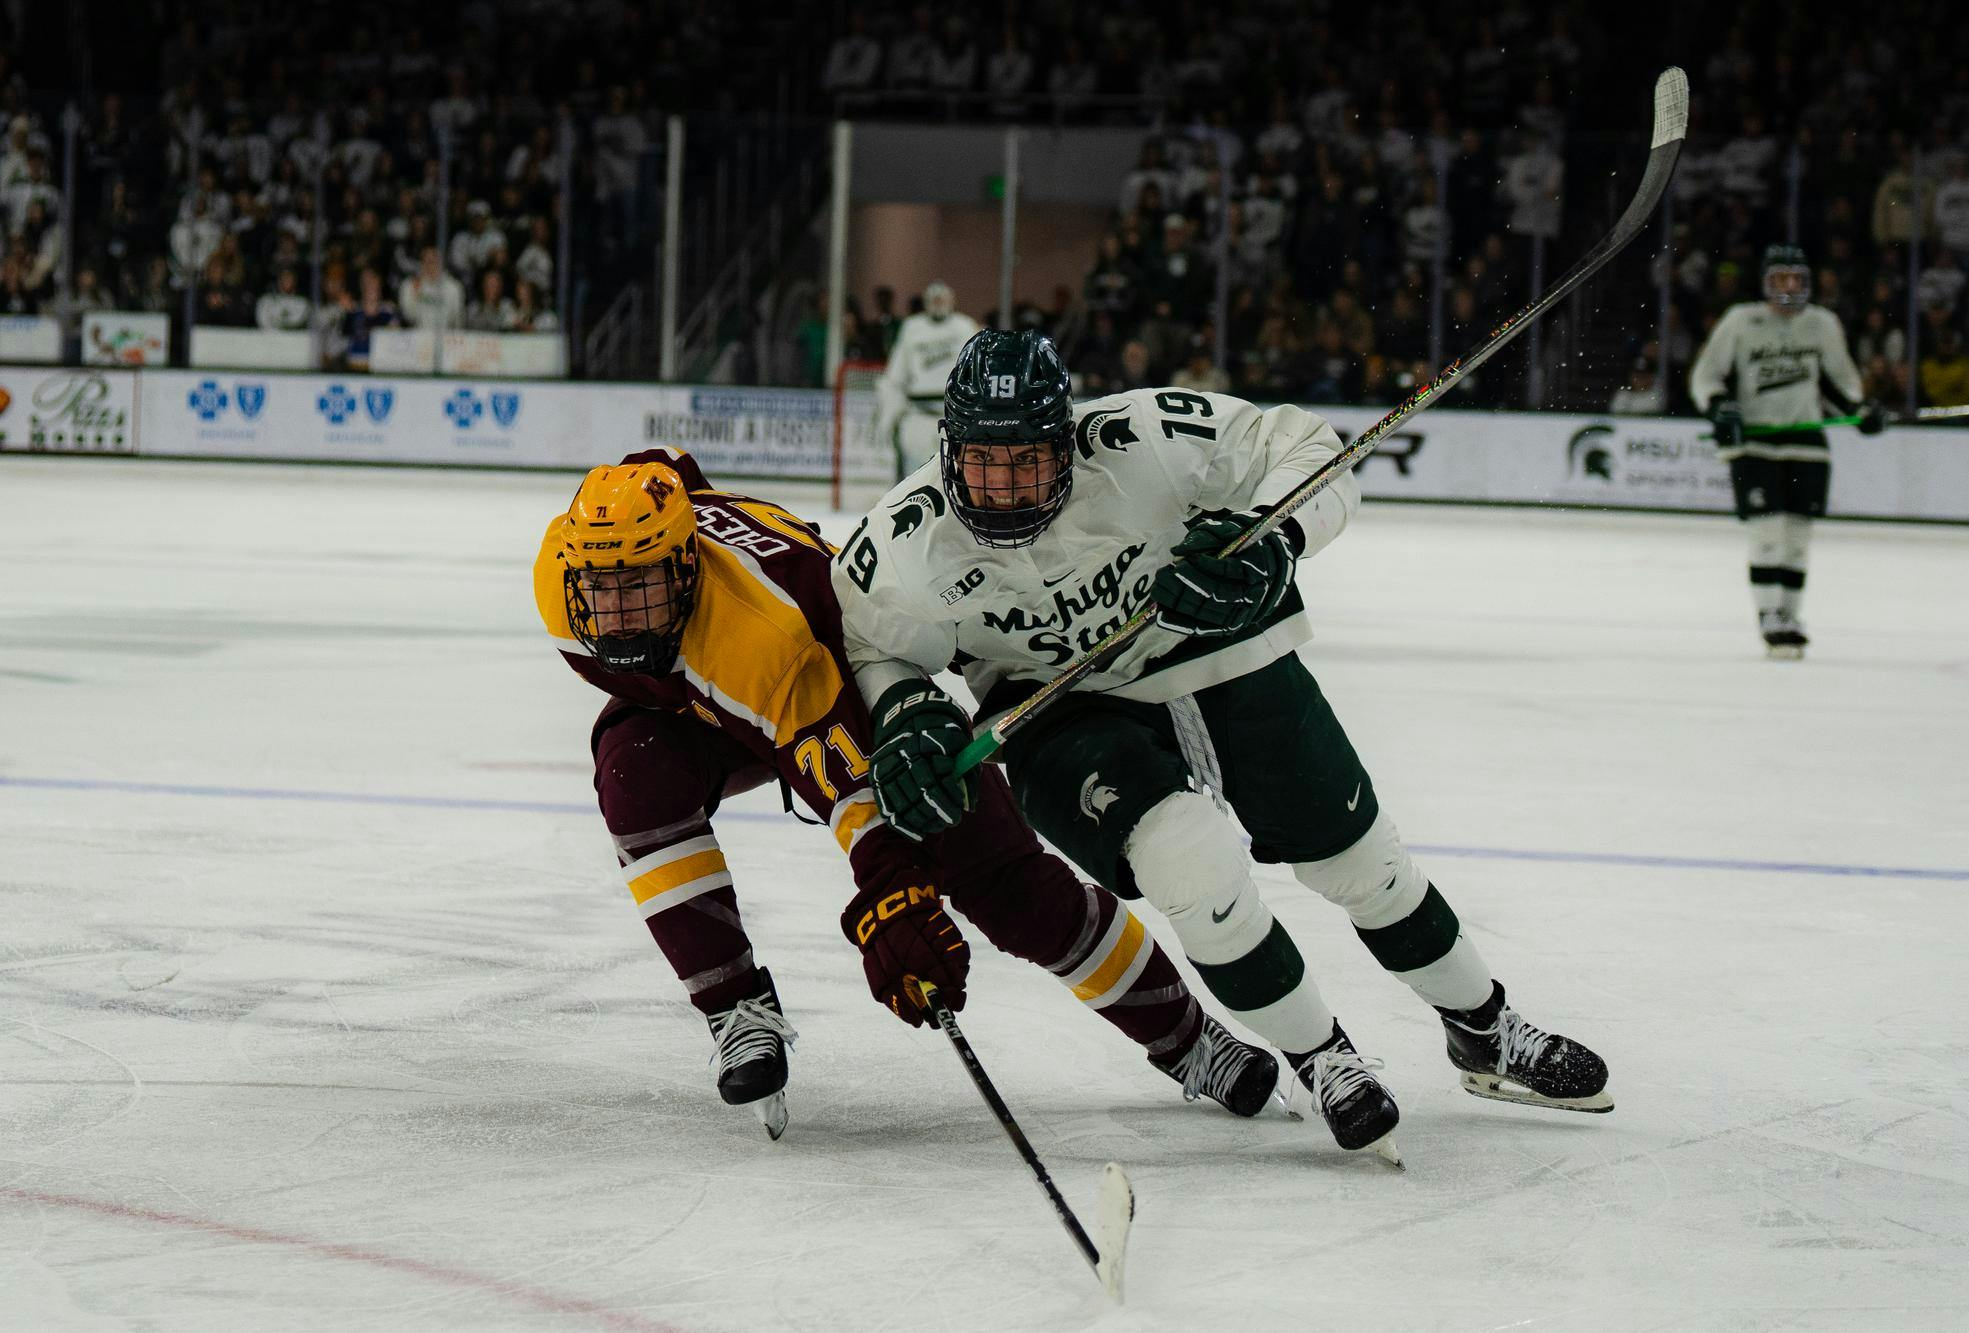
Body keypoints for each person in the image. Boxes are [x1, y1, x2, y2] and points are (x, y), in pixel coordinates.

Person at [831, 329, 1613, 1162]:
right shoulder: (903, 542)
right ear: (948, 450)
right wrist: (906, 706)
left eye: (1028, 459)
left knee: (1360, 861)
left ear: (1069, 436)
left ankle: (1484, 1026)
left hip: (1212, 641)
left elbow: (1309, 449)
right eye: (986, 462)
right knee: (1191, 868)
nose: (1007, 486)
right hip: (1057, 707)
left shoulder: (1143, 437)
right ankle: (1323, 1058)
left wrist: (1272, 539)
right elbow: (875, 646)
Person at [533, 448, 1281, 1139]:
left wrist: (896, 899)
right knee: (635, 775)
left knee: (1009, 886)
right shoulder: (559, 585)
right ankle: (737, 1009)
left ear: (687, 567)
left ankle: (1188, 1038)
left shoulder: (766, 639)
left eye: (641, 584)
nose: (619, 613)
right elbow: (667, 465)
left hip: (851, 686)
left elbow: (855, 790)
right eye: (602, 587)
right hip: (709, 704)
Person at [1691, 243, 1884, 659]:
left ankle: (1790, 616)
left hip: (1806, 443)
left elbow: (1840, 384)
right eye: (1781, 278)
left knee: (1797, 537)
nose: (1790, 286)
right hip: (1755, 442)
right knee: (1767, 531)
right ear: (1766, 281)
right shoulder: (1741, 320)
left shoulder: (1822, 324)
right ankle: (1769, 617)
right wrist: (1720, 407)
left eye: (1796, 278)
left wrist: (1862, 412)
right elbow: (1706, 377)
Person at [875, 281, 980, 477]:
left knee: (956, 473)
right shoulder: (912, 327)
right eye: (934, 300)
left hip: (955, 416)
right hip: (918, 414)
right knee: (916, 474)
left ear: (952, 301)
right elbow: (896, 376)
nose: (938, 303)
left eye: (942, 299)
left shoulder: (965, 327)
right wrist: (889, 415)